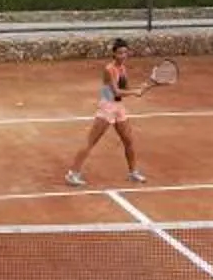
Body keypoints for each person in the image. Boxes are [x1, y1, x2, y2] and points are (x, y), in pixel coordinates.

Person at [62, 38, 150, 186]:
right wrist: (135, 92)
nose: (123, 55)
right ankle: (72, 174)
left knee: (128, 141)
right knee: (91, 141)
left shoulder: (123, 69)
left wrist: (140, 87)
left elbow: (125, 88)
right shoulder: (109, 69)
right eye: (120, 53)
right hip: (107, 107)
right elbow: (116, 92)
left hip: (118, 108)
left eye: (125, 52)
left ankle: (133, 172)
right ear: (114, 54)